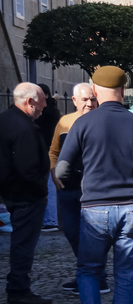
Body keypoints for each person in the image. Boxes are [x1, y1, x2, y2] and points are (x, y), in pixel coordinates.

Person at [55, 67, 133, 304]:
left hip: (95, 207)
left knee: (87, 271)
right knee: (126, 277)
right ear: (124, 90)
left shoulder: (82, 124)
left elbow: (62, 170)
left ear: (95, 90)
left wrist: (74, 183)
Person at [0, 83, 51, 304]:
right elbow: (28, 168)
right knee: (23, 244)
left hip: (12, 190)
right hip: (25, 195)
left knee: (21, 242)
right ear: (30, 102)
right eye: (42, 101)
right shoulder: (24, 128)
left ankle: (18, 286)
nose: (45, 105)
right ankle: (19, 289)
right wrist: (41, 189)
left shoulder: (6, 119)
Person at [49, 82, 100, 294]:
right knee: (72, 232)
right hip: (68, 189)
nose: (89, 103)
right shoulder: (64, 122)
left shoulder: (100, 120)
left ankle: (94, 278)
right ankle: (89, 274)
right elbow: (54, 152)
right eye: (85, 100)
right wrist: (54, 174)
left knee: (93, 235)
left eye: (92, 99)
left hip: (93, 189)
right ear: (74, 101)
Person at [37, 85, 62, 233]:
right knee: (51, 187)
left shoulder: (46, 113)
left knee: (50, 187)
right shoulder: (53, 111)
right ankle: (50, 219)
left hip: (48, 151)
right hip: (52, 151)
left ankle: (50, 220)